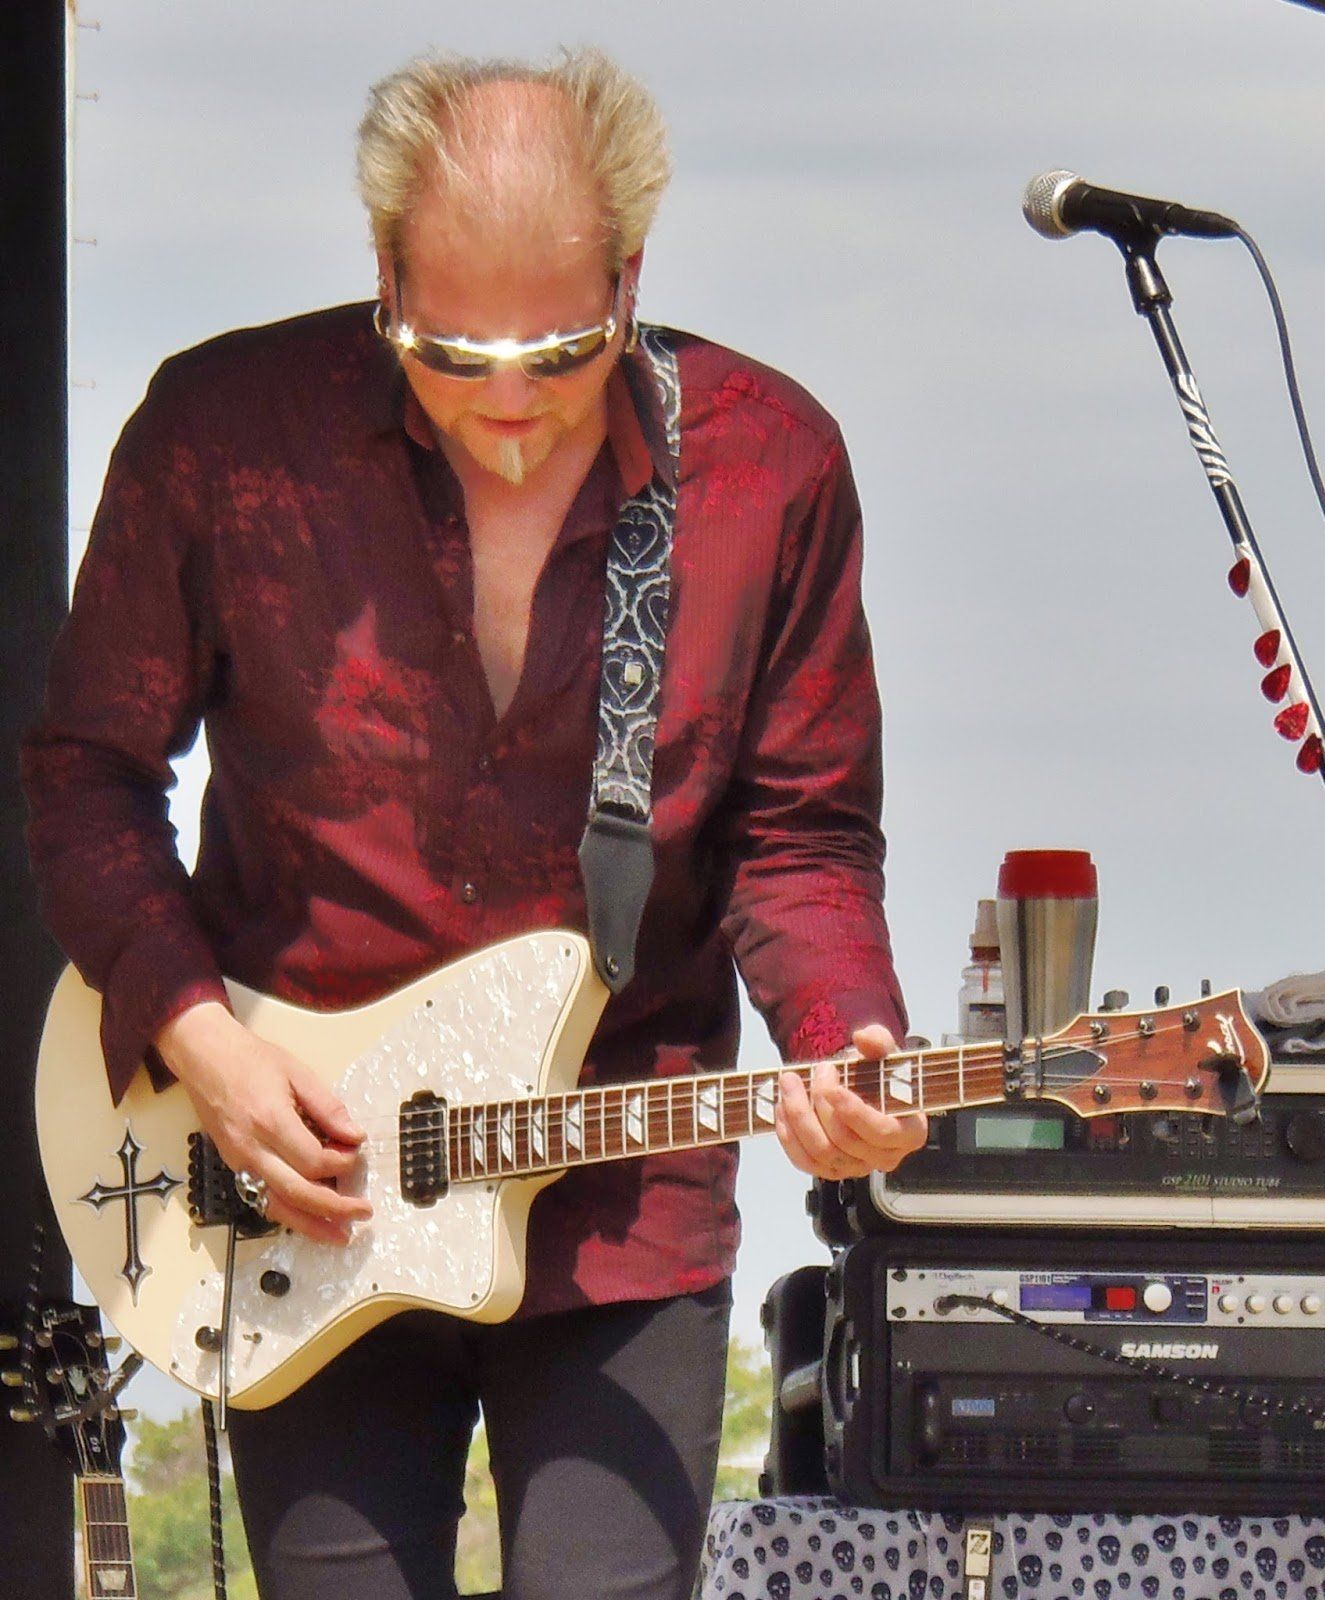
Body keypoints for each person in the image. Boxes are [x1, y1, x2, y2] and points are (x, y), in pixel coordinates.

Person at [23, 46, 923, 1600]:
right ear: (381, 271)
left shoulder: (768, 467)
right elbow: (86, 771)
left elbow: (805, 836)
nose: (508, 410)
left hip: (621, 1191)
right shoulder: (225, 438)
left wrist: (847, 1034)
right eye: (452, 354)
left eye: (563, 354)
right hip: (305, 1175)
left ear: (632, 275)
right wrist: (200, 1042)